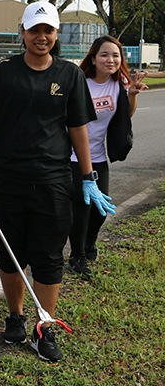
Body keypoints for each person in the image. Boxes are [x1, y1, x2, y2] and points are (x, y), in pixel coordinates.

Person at [0, 1, 115, 362]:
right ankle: (15, 317)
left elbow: (78, 127)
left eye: (48, 30)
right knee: (11, 252)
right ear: (23, 33)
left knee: (49, 257)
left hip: (53, 181)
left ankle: (43, 326)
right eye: (35, 30)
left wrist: (88, 177)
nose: (41, 37)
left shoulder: (69, 75)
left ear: (56, 33)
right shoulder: (3, 73)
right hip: (7, 179)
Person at [67, 36, 147, 279]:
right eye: (104, 54)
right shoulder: (80, 82)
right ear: (93, 58)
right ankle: (76, 257)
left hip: (99, 156)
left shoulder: (119, 82)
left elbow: (126, 115)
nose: (110, 60)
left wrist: (131, 93)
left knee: (101, 208)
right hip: (72, 156)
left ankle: (89, 243)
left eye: (116, 55)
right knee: (81, 207)